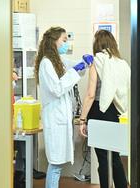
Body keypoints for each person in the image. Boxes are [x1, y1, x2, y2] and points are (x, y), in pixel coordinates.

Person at [34, 26, 93, 188]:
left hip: (60, 118)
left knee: (57, 165)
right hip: (54, 119)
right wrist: (75, 71)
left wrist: (83, 64)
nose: (67, 43)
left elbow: (71, 67)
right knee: (55, 165)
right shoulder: (46, 63)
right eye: (64, 40)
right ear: (54, 42)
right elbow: (57, 89)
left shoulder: (57, 61)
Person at [79, 30, 130, 188]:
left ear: (97, 44)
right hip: (115, 112)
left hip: (98, 111)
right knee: (114, 158)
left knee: (103, 159)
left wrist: (82, 119)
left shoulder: (97, 61)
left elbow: (90, 94)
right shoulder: (121, 63)